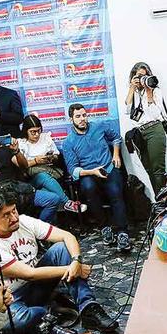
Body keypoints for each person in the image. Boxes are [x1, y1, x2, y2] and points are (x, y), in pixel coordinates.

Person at [0, 187, 118, 334]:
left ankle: (88, 307)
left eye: (14, 210)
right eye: (6, 215)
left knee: (61, 249)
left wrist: (76, 261)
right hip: (5, 300)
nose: (14, 217)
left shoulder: (23, 221)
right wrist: (73, 269)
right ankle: (49, 311)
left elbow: (67, 237)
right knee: (22, 320)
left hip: (33, 285)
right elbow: (29, 273)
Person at [0, 114, 72, 224]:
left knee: (53, 199)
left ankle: (38, 232)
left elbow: (23, 165)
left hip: (18, 190)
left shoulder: (3, 148)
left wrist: (16, 151)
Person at [62, 104, 130, 251]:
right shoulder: (68, 142)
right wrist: (92, 172)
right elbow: (73, 170)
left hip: (108, 168)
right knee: (88, 188)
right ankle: (104, 227)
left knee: (115, 191)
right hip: (89, 173)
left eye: (84, 115)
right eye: (78, 116)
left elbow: (116, 138)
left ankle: (122, 232)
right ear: (71, 119)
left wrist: (116, 154)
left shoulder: (99, 126)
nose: (82, 119)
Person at [124, 62, 167, 196]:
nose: (142, 79)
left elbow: (154, 114)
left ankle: (162, 200)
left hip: (154, 130)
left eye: (145, 76)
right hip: (140, 132)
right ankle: (157, 198)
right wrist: (131, 88)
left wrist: (149, 92)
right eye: (139, 76)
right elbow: (128, 111)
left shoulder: (155, 90)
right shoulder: (134, 91)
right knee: (148, 169)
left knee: (158, 169)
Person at [20, 114, 85, 214]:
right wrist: (36, 161)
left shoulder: (45, 138)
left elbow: (56, 156)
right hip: (31, 179)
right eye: (33, 132)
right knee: (43, 176)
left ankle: (52, 225)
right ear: (26, 131)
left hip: (50, 172)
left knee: (49, 193)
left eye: (38, 130)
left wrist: (51, 158)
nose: (37, 134)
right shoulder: (21, 143)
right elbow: (21, 166)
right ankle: (67, 202)